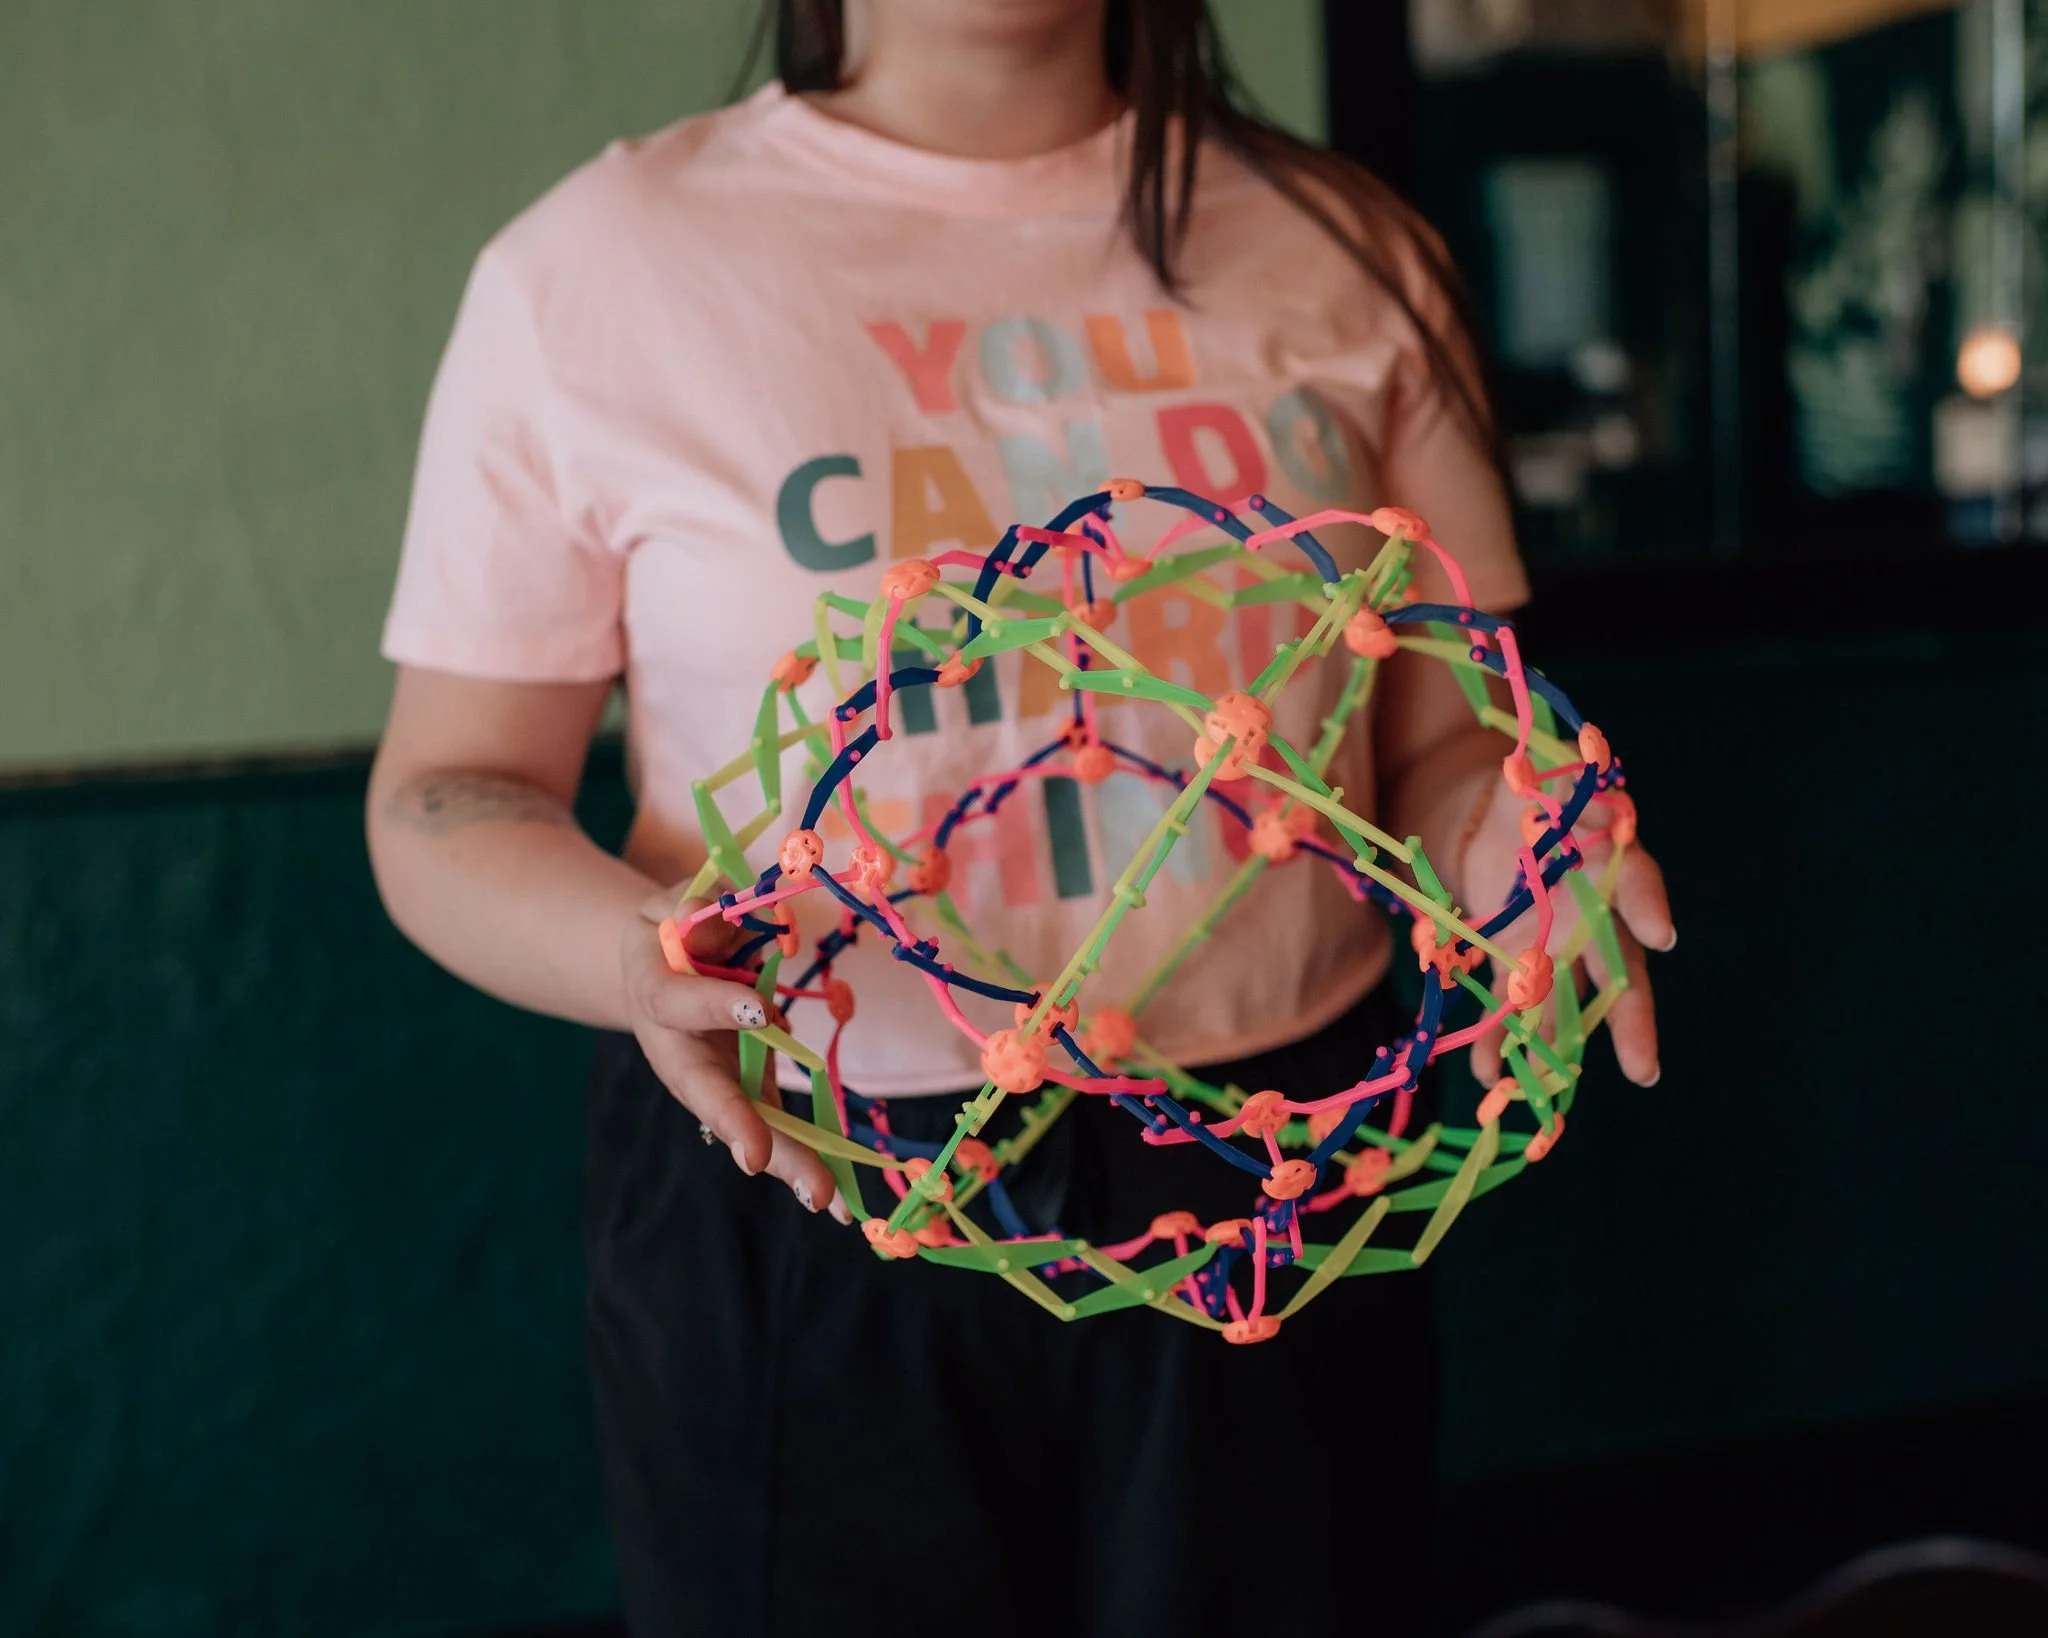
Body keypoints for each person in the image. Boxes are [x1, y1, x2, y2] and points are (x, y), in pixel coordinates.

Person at [367, 2, 1675, 1633]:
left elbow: (1439, 748)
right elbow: (448, 793)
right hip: (812, 1175)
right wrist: (636, 961)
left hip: (1277, 1185)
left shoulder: (1348, 249)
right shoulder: (597, 270)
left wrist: (1516, 844)